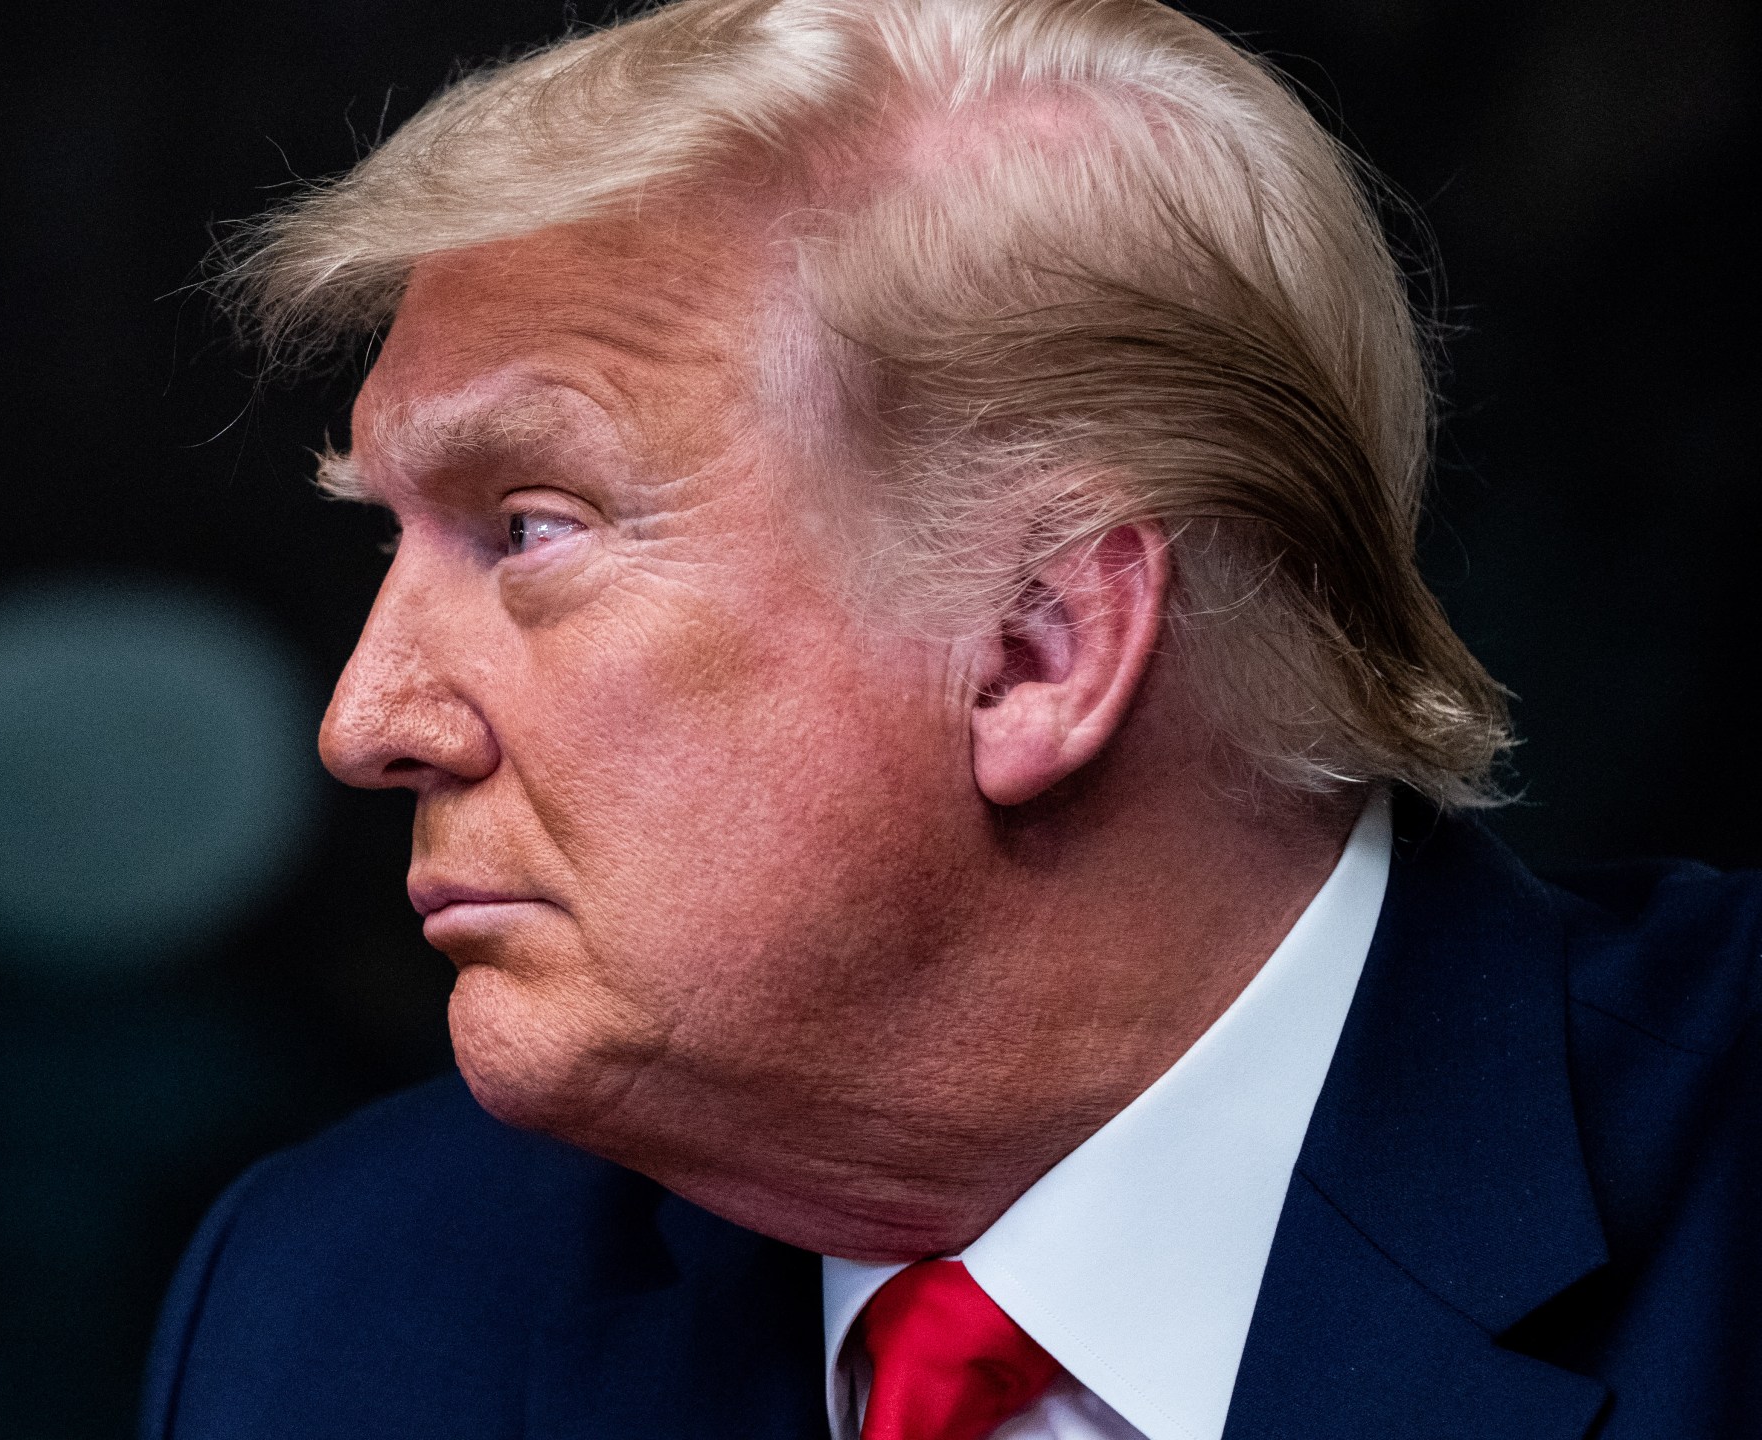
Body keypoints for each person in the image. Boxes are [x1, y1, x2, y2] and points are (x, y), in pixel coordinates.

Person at [143, 1, 1760, 1436]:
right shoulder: (334, 1311)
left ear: (1039, 648)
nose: (368, 720)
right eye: (394, 536)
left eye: (532, 528)